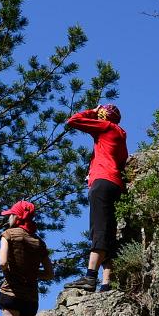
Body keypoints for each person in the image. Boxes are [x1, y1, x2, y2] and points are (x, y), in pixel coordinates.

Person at [64, 104, 128, 292]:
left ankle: (90, 277)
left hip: (102, 182)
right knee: (109, 231)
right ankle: (106, 283)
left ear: (103, 118)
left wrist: (93, 110)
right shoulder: (121, 135)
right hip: (115, 184)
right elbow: (122, 162)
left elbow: (74, 120)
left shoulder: (106, 127)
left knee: (98, 229)